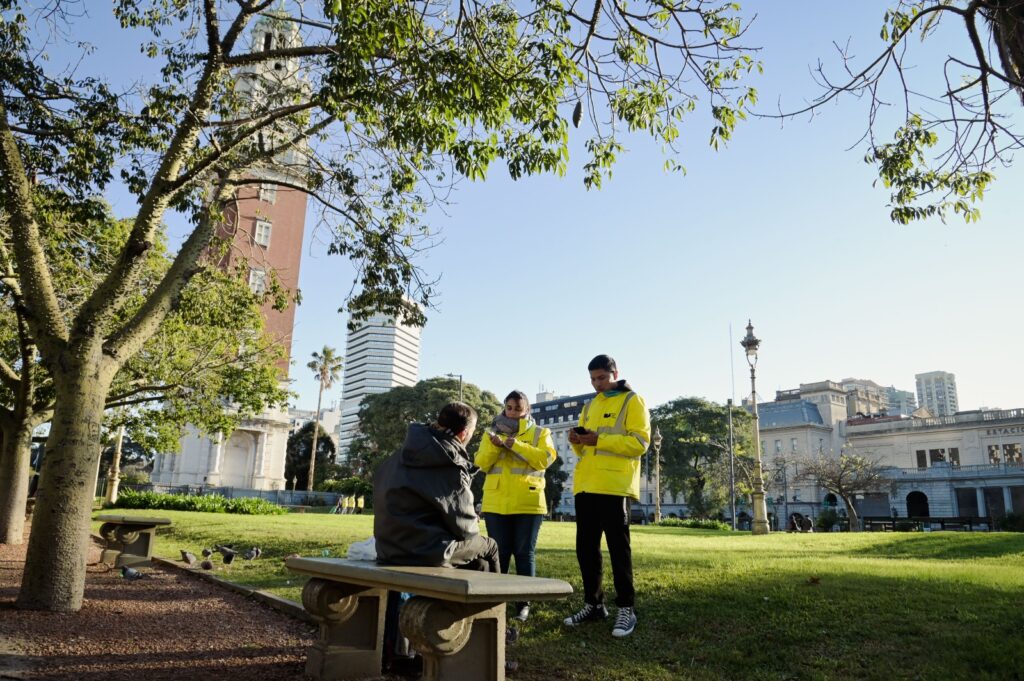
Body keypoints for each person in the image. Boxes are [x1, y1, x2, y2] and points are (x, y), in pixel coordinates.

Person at [564, 354, 650, 639]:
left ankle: (626, 608)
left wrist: (598, 439)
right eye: (592, 379)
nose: (597, 384)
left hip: (614, 486)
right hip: (586, 484)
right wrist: (577, 441)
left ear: (615, 373)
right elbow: (587, 448)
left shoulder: (632, 401)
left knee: (618, 549)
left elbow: (640, 443)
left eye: (601, 378)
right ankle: (594, 604)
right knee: (585, 549)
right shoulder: (589, 405)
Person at [374, 401, 499, 571]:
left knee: (479, 563)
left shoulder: (398, 455)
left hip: (387, 549)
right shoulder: (449, 463)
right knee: (490, 546)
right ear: (464, 434)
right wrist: (471, 518)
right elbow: (467, 529)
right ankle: (499, 597)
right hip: (427, 551)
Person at [475, 390, 557, 622]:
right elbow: (481, 462)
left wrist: (515, 445)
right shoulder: (490, 432)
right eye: (508, 407)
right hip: (496, 501)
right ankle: (498, 599)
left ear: (527, 409)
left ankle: (524, 602)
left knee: (524, 553)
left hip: (528, 502)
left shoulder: (541, 432)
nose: (512, 412)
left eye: (517, 408)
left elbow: (546, 459)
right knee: (499, 554)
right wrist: (494, 446)